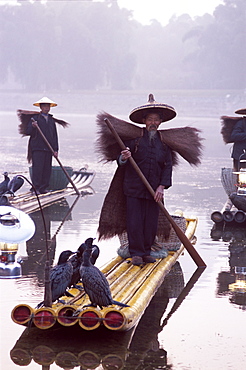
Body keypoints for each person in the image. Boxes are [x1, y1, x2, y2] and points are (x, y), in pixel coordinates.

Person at [116, 95, 175, 265]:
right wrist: (124, 157)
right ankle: (136, 253)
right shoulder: (134, 140)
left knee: (150, 222)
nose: (153, 123)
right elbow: (120, 161)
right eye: (150, 119)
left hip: (154, 190)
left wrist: (162, 186)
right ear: (144, 121)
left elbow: (168, 166)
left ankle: (147, 251)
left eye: (156, 120)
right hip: (133, 188)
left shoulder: (164, 144)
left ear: (160, 122)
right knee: (134, 221)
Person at [26, 97, 59, 194]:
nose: (46, 108)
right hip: (38, 148)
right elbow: (28, 132)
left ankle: (43, 188)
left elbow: (54, 136)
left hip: (49, 149)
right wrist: (33, 127)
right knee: (38, 168)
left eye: (48, 106)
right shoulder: (35, 119)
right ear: (41, 107)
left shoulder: (51, 120)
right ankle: (35, 188)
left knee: (46, 169)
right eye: (44, 106)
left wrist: (56, 149)